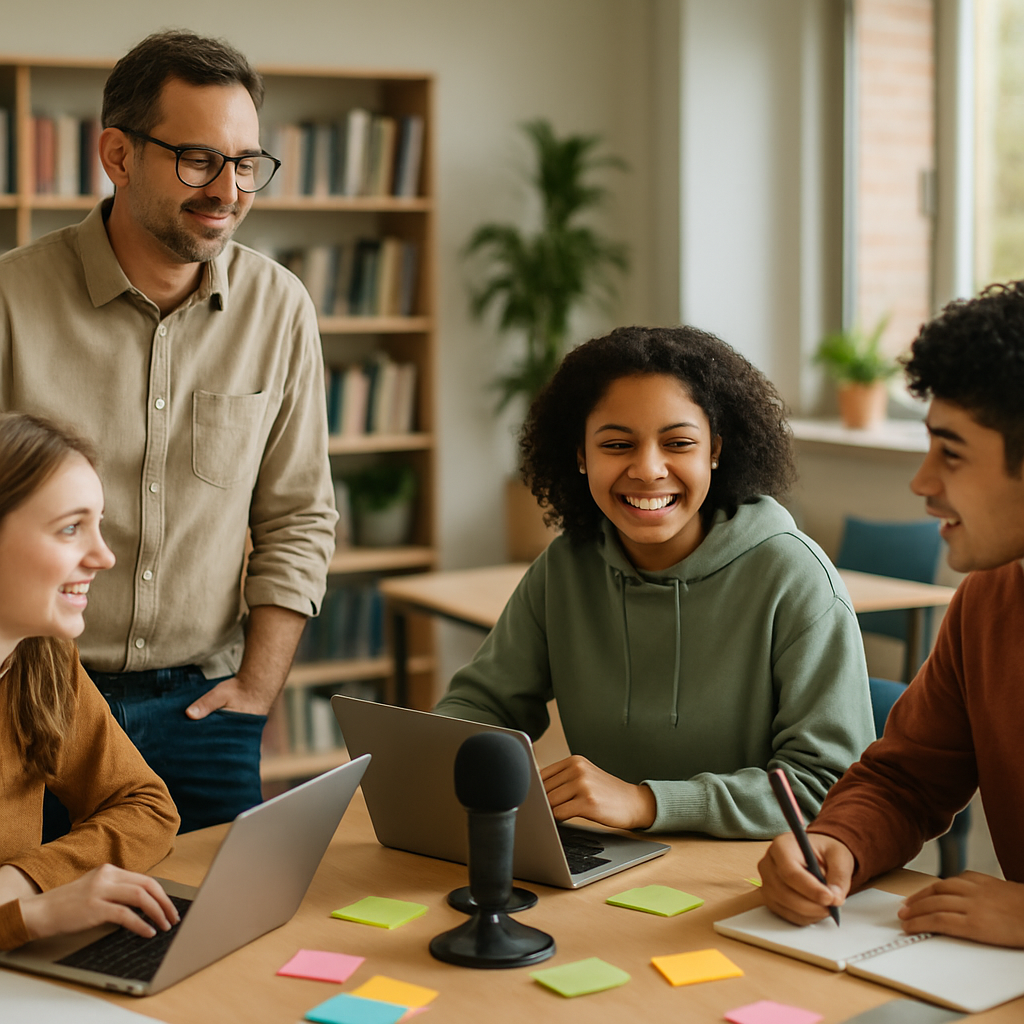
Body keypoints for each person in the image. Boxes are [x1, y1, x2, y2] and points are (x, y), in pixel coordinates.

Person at [0, 31, 337, 832]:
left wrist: (256, 690)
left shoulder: (280, 308)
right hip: (31, 698)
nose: (228, 189)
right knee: (31, 922)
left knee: (216, 943)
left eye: (246, 162)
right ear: (117, 154)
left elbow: (298, 516)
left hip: (204, 711)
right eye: (197, 159)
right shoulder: (9, 301)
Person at [434, 325, 873, 837]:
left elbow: (828, 785)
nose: (647, 470)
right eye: (617, 444)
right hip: (611, 864)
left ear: (715, 450)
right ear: (581, 455)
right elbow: (483, 704)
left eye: (678, 443)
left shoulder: (794, 578)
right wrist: (442, 751)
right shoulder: (565, 568)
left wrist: (649, 803)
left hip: (748, 878)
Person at [758, 282, 1024, 949]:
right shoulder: (990, 600)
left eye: (952, 453)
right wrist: (836, 841)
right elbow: (906, 780)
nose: (922, 482)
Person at [0, 412, 180, 951]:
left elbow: (146, 805)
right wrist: (28, 917)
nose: (104, 557)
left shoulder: (43, 657)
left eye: (99, 524)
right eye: (71, 528)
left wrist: (24, 884)